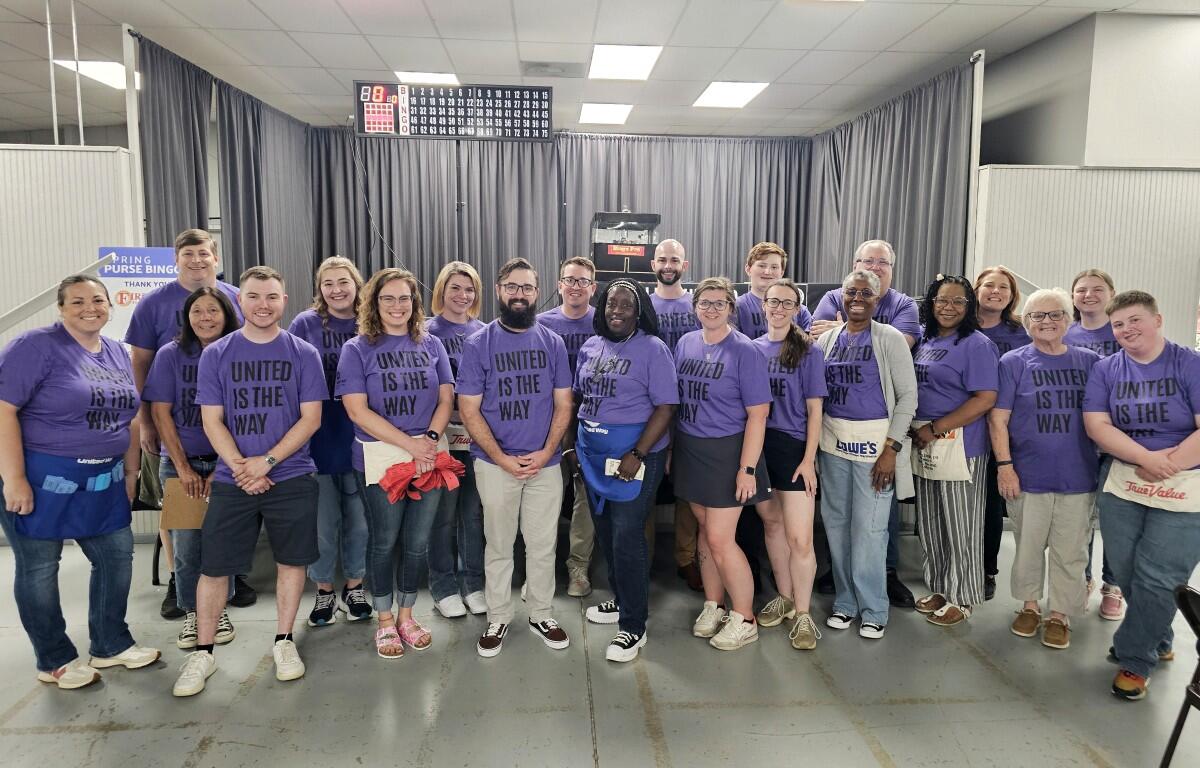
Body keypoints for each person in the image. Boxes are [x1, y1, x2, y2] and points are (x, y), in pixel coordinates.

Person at [0, 275, 160, 690]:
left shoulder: (116, 352)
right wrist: (14, 478)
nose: (89, 307)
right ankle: (53, 658)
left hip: (105, 478)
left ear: (109, 305)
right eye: (77, 301)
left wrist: (130, 472)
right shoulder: (34, 347)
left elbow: (128, 417)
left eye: (97, 300)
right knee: (39, 568)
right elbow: (3, 413)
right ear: (60, 307)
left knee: (116, 558)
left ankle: (110, 644)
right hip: (41, 476)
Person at [173, 266, 326, 697]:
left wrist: (269, 461)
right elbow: (211, 419)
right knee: (214, 566)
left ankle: (283, 641)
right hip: (232, 478)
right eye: (255, 296)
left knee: (292, 562)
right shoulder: (217, 354)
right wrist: (243, 466)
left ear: (284, 300)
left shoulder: (303, 353)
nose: (263, 304)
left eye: (272, 296)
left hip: (292, 475)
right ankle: (203, 652)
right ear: (239, 300)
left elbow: (311, 418)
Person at [124, 229, 252, 618]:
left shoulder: (236, 298)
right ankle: (180, 581)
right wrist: (146, 422)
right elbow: (141, 366)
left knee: (227, 522)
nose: (196, 260)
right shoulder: (154, 309)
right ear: (176, 260)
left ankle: (230, 578)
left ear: (216, 258)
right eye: (188, 254)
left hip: (231, 444)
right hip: (178, 433)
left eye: (203, 254)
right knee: (181, 519)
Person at [1083, 290, 1200, 701]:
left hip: (1185, 485)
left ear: (1158, 319)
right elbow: (1097, 424)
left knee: (1160, 575)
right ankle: (1158, 635)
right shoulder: (1106, 370)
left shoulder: (1190, 363)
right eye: (1118, 324)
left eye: (1135, 320)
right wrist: (1144, 458)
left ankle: (1135, 660)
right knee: (1128, 569)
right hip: (1124, 480)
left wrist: (1167, 465)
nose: (1127, 329)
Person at [459, 258, 574, 658]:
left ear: (538, 292)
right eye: (512, 287)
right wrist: (503, 458)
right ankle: (499, 615)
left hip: (545, 463)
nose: (520, 294)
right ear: (499, 290)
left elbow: (564, 404)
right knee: (499, 544)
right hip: (494, 464)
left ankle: (541, 612)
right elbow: (469, 410)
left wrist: (545, 453)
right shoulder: (478, 344)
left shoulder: (553, 342)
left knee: (543, 545)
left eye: (527, 287)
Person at [337, 268, 454, 658]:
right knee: (384, 541)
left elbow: (445, 399)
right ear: (374, 303)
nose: (397, 306)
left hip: (429, 456)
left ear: (415, 304)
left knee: (417, 542)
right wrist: (411, 445)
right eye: (388, 298)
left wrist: (431, 441)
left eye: (405, 298)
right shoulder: (357, 349)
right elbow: (357, 410)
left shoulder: (432, 344)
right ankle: (384, 619)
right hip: (381, 458)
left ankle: (407, 614)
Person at [811, 239, 921, 608]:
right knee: (838, 526)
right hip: (833, 446)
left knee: (871, 530)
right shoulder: (826, 340)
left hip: (876, 449)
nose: (858, 298)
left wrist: (891, 449)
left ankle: (874, 606)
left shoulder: (889, 338)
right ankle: (845, 601)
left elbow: (907, 398)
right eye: (851, 293)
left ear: (878, 300)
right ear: (841, 298)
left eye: (866, 294)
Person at [989, 288, 1100, 650]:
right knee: (1028, 546)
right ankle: (1030, 606)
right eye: (1038, 316)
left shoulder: (1090, 362)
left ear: (1069, 321)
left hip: (1078, 474)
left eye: (1055, 315)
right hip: (1027, 473)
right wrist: (1005, 466)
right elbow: (998, 420)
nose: (1047, 322)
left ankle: (1060, 615)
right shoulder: (1013, 363)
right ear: (1027, 322)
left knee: (1071, 550)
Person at [573, 279, 677, 662]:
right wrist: (573, 447)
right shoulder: (590, 346)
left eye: (625, 306)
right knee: (605, 532)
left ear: (639, 313)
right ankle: (620, 599)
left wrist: (638, 452)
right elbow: (580, 399)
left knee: (627, 535)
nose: (616, 311)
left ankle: (634, 626)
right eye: (610, 305)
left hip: (635, 458)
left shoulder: (653, 349)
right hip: (593, 456)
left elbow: (666, 407)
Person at [674, 277, 772, 651]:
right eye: (705, 302)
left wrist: (747, 469)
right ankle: (714, 605)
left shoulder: (745, 351)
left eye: (719, 303)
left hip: (728, 451)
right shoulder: (685, 342)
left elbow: (758, 415)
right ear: (695, 306)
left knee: (720, 538)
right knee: (704, 531)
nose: (711, 309)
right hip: (691, 448)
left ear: (731, 308)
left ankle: (745, 618)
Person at [143, 287, 241, 650]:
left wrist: (228, 465)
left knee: (222, 540)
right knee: (186, 544)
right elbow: (160, 412)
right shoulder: (171, 354)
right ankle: (192, 614)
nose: (205, 317)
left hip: (227, 463)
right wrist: (182, 466)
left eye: (212, 310)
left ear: (226, 314)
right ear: (186, 317)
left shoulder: (239, 351)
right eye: (197, 311)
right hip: (182, 463)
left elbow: (246, 417)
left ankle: (218, 611)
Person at [287, 257, 372, 627]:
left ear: (357, 284)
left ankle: (355, 586)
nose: (337, 290)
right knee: (322, 524)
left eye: (344, 282)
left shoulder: (373, 322)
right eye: (328, 284)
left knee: (360, 521)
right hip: (317, 439)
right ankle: (323, 592)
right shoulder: (304, 324)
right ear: (319, 289)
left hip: (364, 438)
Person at [910, 275, 999, 627]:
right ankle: (940, 585)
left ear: (969, 307)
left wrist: (937, 427)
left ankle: (963, 597)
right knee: (931, 521)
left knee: (961, 523)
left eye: (957, 302)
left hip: (960, 444)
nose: (948, 307)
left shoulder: (976, 344)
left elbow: (985, 398)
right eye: (941, 300)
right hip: (925, 439)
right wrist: (923, 430)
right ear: (931, 303)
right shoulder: (927, 338)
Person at [752, 279, 829, 649]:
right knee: (772, 524)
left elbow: (816, 410)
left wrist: (809, 459)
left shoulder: (808, 351)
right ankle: (783, 597)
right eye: (773, 302)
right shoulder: (751, 349)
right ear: (763, 305)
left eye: (787, 303)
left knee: (800, 538)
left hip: (793, 448)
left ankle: (802, 614)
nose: (779, 308)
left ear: (797, 309)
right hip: (759, 447)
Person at [426, 261, 488, 618]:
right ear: (441, 291)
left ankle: (473, 583)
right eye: (455, 288)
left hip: (477, 439)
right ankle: (443, 586)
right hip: (440, 439)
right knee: (443, 516)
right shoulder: (425, 331)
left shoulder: (485, 332)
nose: (462, 296)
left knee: (473, 514)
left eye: (469, 289)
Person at [1064, 268, 1124, 620]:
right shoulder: (1065, 331)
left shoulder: (1120, 331)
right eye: (1081, 290)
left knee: (1114, 517)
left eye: (1097, 289)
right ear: (1072, 297)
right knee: (1079, 517)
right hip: (1076, 438)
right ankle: (1082, 578)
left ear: (1111, 294)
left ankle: (1113, 586)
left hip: (1116, 438)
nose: (1088, 295)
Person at [537, 256, 598, 598]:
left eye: (582, 281)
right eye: (569, 280)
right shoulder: (541, 324)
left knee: (584, 498)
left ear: (593, 287)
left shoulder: (603, 322)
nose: (575, 287)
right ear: (559, 285)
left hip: (589, 424)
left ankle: (578, 567)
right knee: (544, 495)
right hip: (545, 425)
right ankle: (538, 568)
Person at [974, 266, 1031, 601]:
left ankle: (986, 569)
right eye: (989, 285)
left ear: (1012, 296)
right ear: (977, 289)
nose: (996, 292)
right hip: (961, 430)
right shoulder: (959, 328)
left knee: (990, 507)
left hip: (1001, 433)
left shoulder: (1022, 332)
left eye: (1004, 288)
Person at [648, 239, 702, 591]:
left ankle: (687, 558)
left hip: (692, 406)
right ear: (653, 264)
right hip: (650, 405)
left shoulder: (698, 304)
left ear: (686, 264)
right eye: (663, 259)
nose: (669, 264)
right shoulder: (644, 305)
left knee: (687, 486)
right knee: (647, 484)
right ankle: (644, 556)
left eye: (675, 260)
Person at [734, 241, 812, 338]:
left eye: (774, 267)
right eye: (762, 265)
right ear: (748, 269)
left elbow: (810, 347)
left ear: (782, 272)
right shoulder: (736, 308)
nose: (767, 272)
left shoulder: (801, 311)